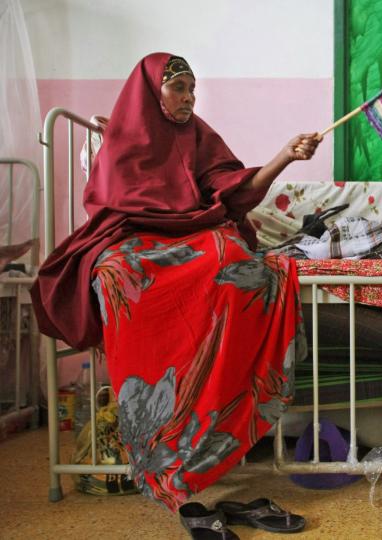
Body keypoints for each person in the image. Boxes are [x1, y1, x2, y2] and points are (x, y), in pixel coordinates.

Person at [31, 52, 319, 521]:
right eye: (178, 88)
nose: (188, 99)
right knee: (118, 274)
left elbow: (235, 194)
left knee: (237, 262)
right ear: (152, 91)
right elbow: (107, 208)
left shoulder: (200, 136)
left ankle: (210, 430)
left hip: (194, 236)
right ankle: (157, 439)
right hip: (133, 240)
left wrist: (283, 157)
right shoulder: (119, 138)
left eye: (192, 90)